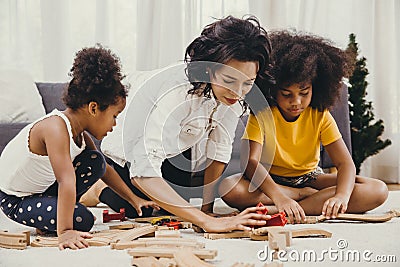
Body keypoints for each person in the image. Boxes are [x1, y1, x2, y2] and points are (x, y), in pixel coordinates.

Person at [94, 16, 273, 232]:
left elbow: (218, 153)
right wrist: (206, 222)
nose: (238, 91)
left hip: (178, 146)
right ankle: (97, 188)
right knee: (141, 207)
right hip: (132, 147)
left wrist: (207, 212)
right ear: (209, 70)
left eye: (248, 83)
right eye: (229, 81)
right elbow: (143, 170)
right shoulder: (177, 93)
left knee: (176, 208)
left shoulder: (235, 94)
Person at [219, 30, 389, 224]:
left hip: (311, 179)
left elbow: (345, 164)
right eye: (286, 94)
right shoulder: (262, 114)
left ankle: (281, 211)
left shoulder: (320, 115)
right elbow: (251, 163)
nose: (296, 102)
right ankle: (300, 200)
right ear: (273, 90)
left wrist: (341, 196)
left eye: (304, 92)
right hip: (271, 182)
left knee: (377, 190)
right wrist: (280, 197)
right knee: (229, 187)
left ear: (315, 88)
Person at [0, 45, 158, 250]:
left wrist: (134, 199)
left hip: (41, 192)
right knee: (82, 219)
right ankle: (58, 223)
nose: (115, 124)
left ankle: (53, 217)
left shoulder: (80, 135)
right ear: (93, 108)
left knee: (96, 161)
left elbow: (106, 170)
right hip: (15, 200)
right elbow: (66, 180)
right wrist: (65, 232)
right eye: (114, 116)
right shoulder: (56, 128)